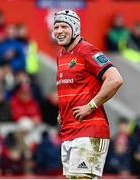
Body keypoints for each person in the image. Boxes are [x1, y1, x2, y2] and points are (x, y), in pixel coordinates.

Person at [53, 9, 123, 179]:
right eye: (56, 27)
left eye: (64, 26)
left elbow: (115, 79)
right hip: (70, 130)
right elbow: (73, 87)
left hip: (89, 130)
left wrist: (90, 106)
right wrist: (61, 113)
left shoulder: (87, 51)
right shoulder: (61, 55)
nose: (59, 31)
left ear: (75, 28)